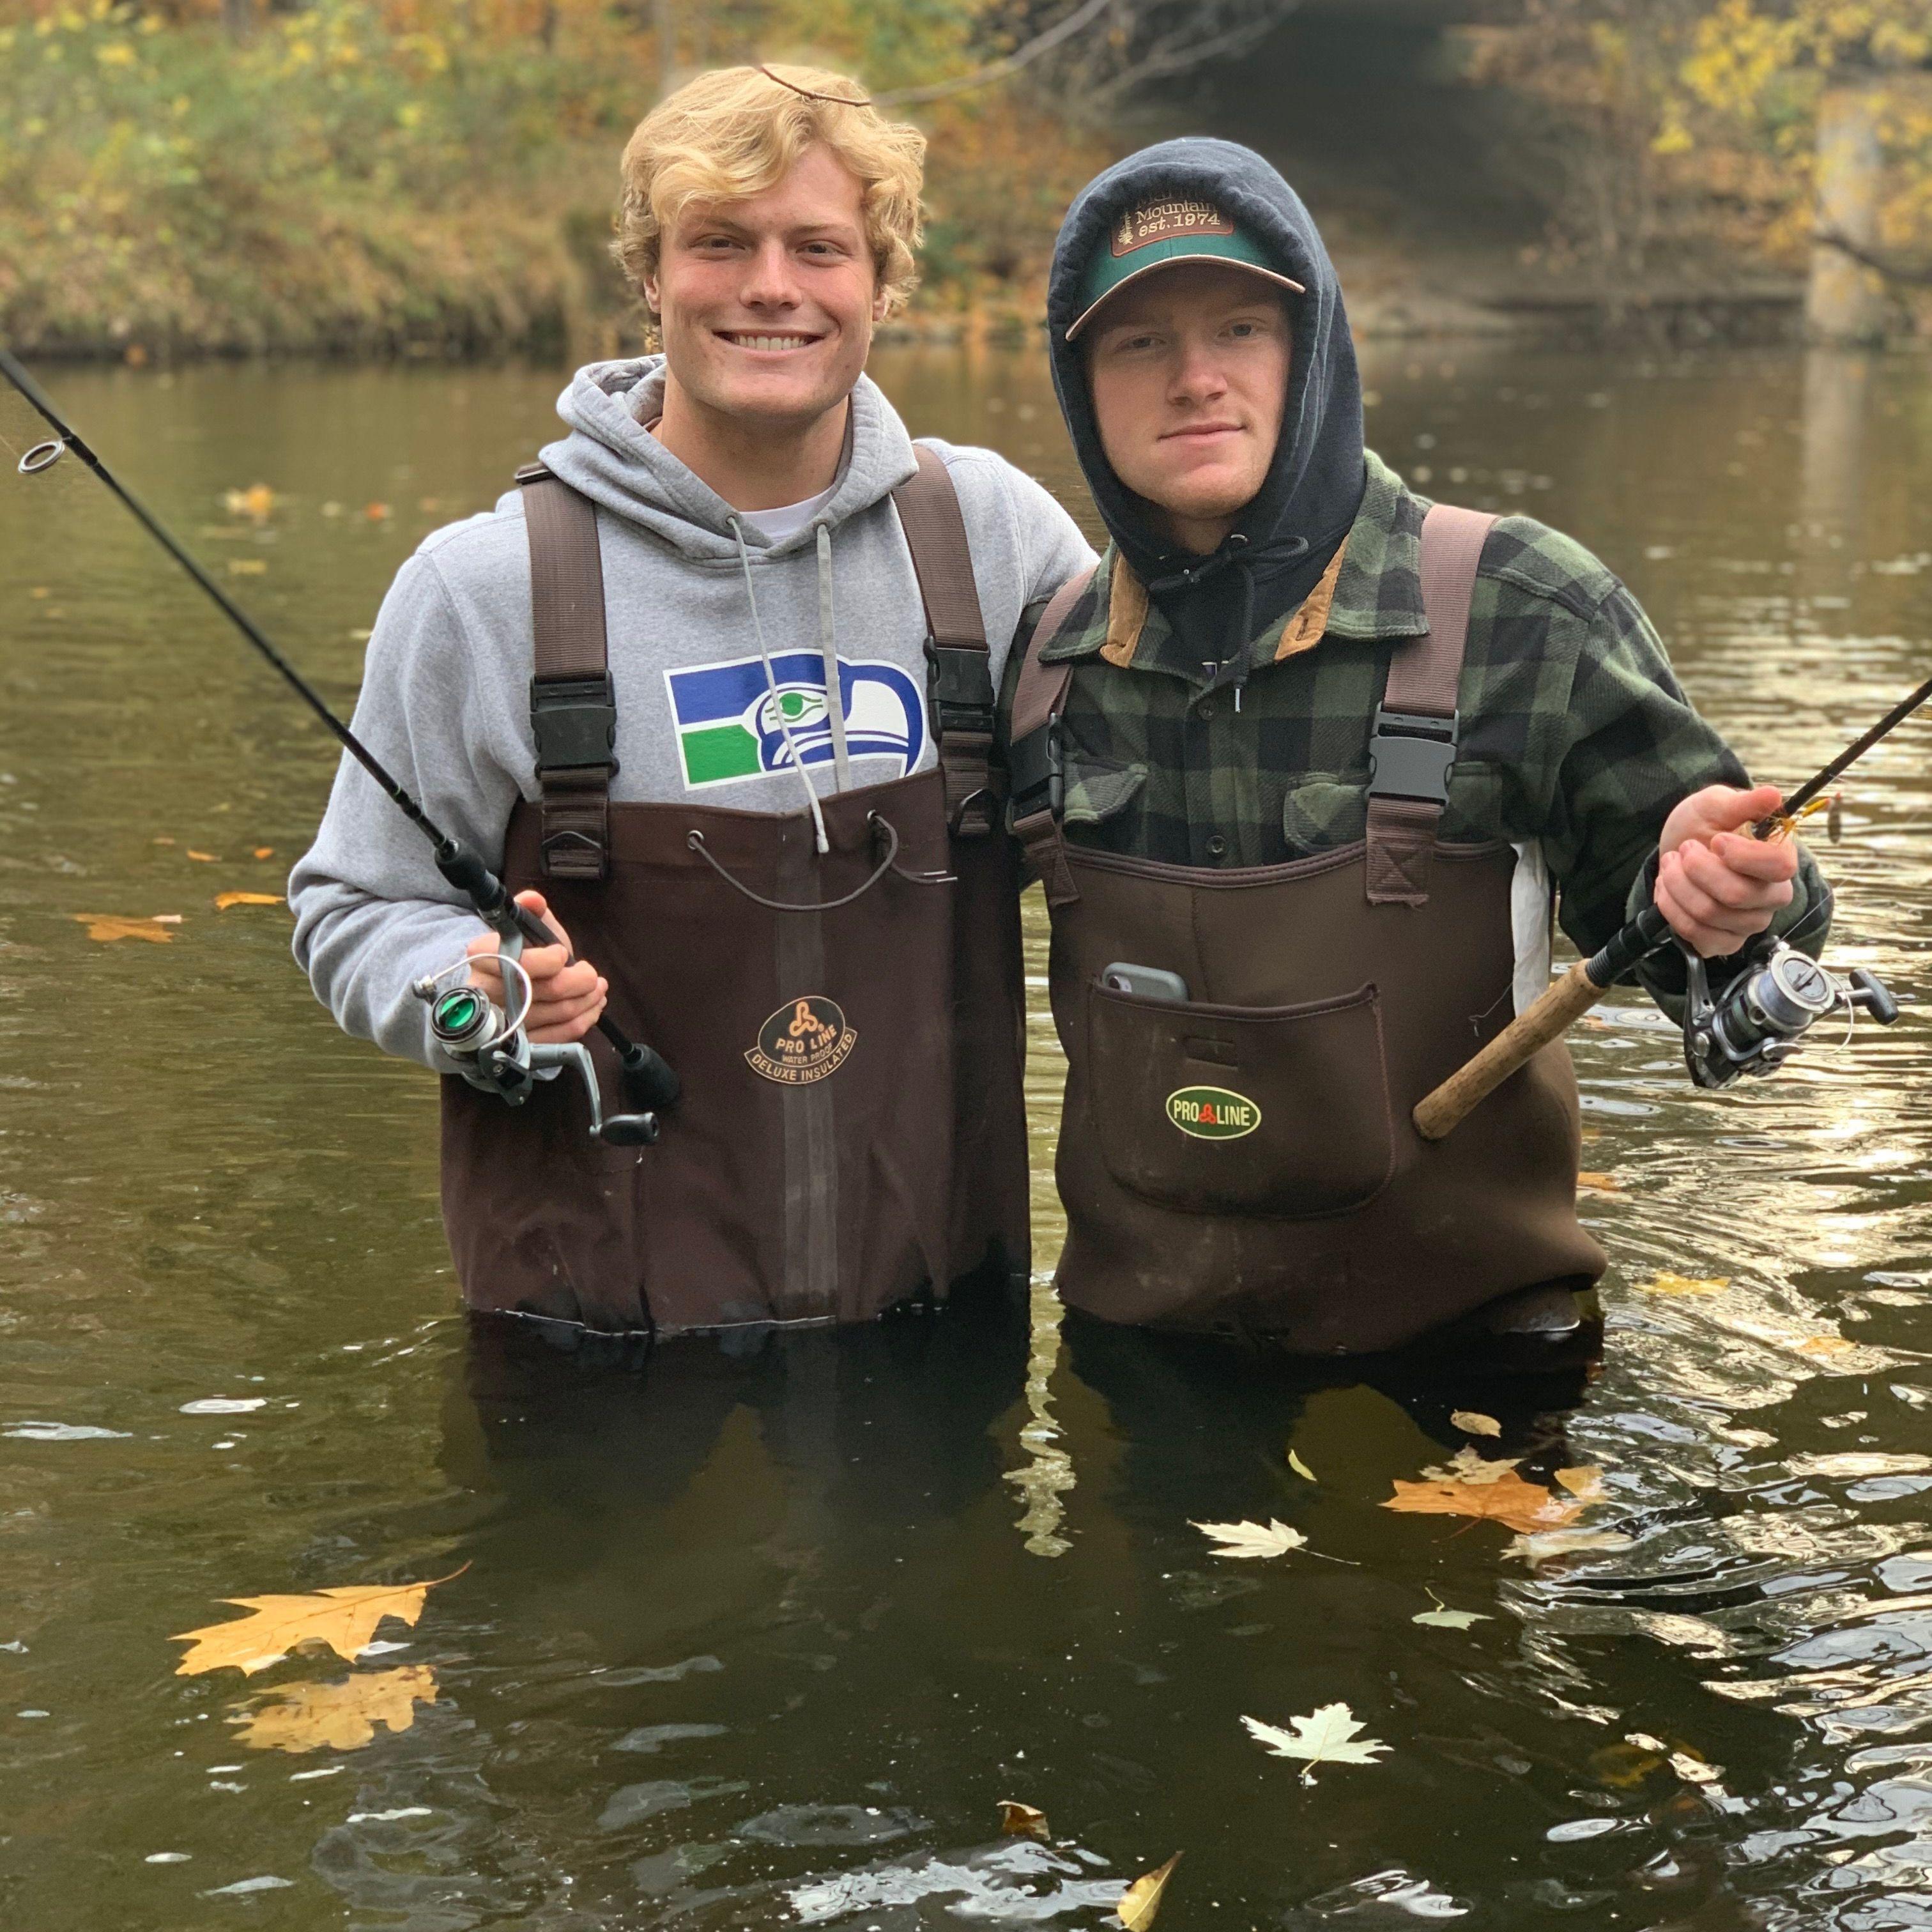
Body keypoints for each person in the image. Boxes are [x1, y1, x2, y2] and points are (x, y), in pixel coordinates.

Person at [290, 65, 1092, 1337]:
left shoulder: (996, 541)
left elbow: (1157, 812)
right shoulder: (480, 589)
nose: (771, 285)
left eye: (818, 247)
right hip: (595, 1345)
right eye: (720, 242)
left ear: (882, 286)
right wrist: (468, 990)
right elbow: (355, 907)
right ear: (653, 278)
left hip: (939, 1322)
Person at [999, 139, 1830, 1357]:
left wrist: (1741, 901)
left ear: (1314, 350)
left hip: (1480, 1356)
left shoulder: (1527, 608)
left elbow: (1738, 985)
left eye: (1240, 329)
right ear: (1081, 385)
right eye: (1138, 343)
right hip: (1143, 1355)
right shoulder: (1038, 666)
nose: (1194, 379)